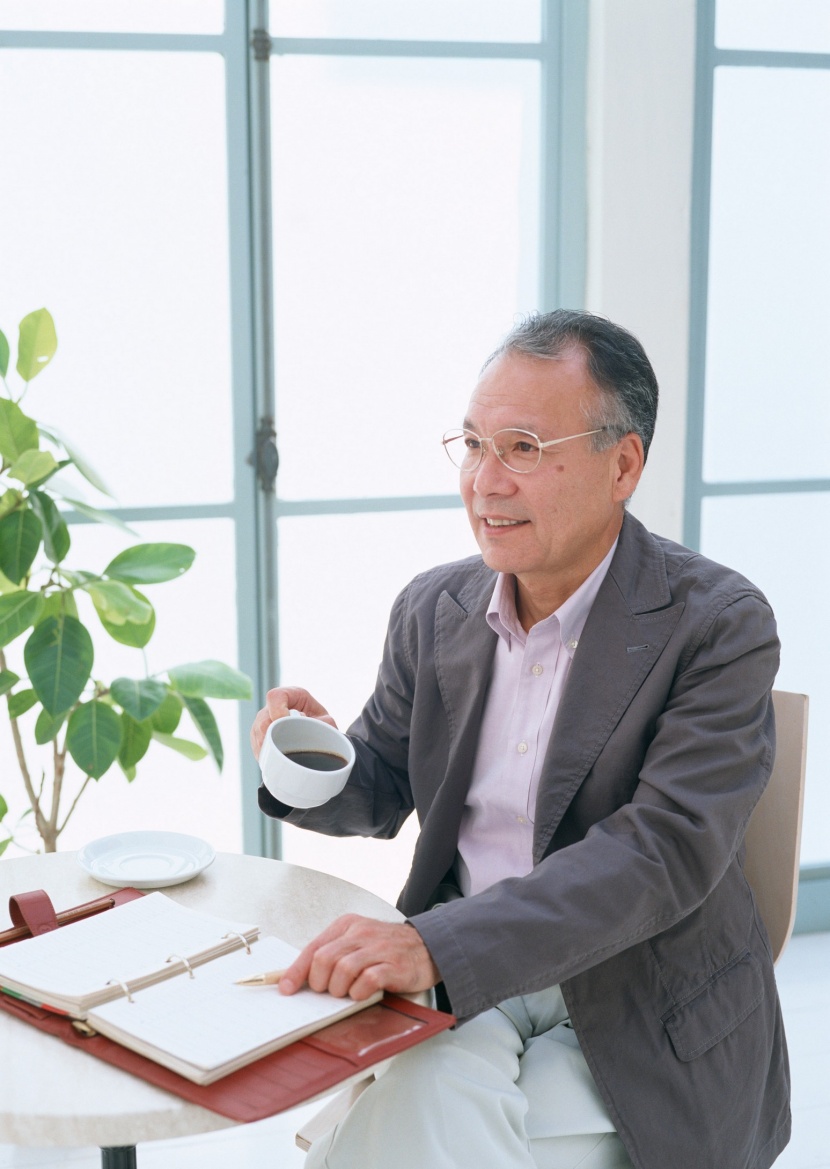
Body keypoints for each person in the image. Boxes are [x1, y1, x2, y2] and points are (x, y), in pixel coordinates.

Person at [252, 310, 790, 1169]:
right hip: (473, 979)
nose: (483, 481)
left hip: (637, 992)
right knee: (419, 1106)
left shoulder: (719, 624)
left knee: (387, 1141)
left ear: (623, 465)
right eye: (472, 443)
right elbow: (385, 778)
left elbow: (663, 851)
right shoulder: (437, 607)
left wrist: (436, 945)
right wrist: (312, 759)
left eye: (524, 448)